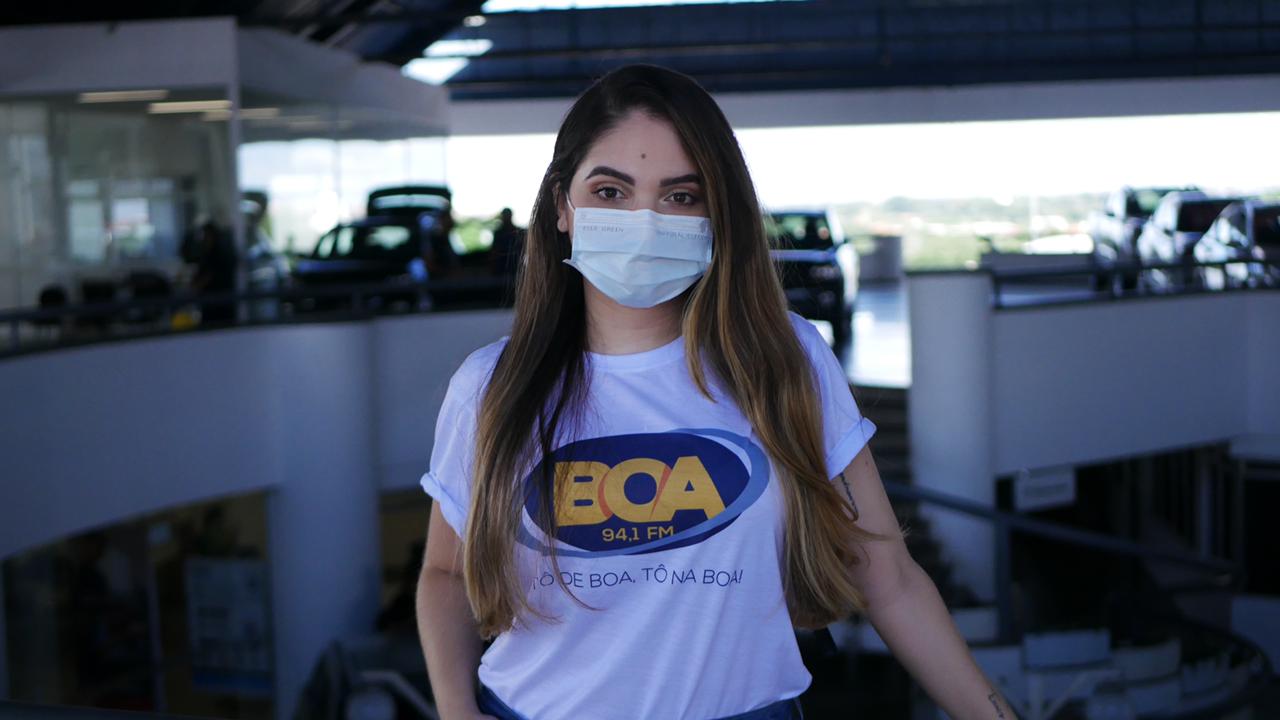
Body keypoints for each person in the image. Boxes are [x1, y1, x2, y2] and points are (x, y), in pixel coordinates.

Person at [415, 64, 1016, 720]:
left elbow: (888, 576)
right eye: (611, 192)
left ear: (717, 213)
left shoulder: (782, 362)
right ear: (562, 206)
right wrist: (456, 711)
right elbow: (445, 574)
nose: (645, 223)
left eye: (680, 197)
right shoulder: (491, 386)